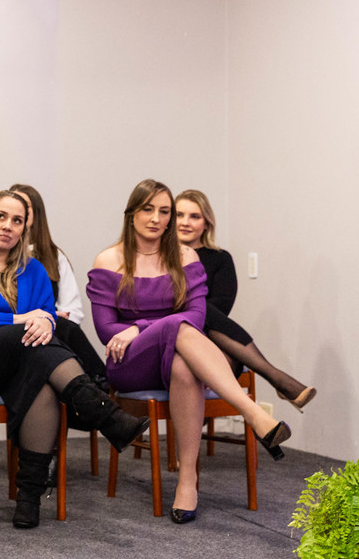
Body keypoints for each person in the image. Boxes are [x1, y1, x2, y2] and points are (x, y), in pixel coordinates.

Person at [87, 179, 293, 524]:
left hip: (176, 356)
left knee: (185, 366)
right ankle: (253, 414)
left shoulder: (185, 256)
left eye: (164, 211)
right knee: (178, 326)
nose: (156, 218)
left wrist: (141, 324)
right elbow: (106, 329)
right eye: (148, 209)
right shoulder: (109, 259)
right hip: (131, 362)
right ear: (132, 213)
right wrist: (140, 329)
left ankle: (187, 482)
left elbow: (198, 315)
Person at [0, 191, 149, 527]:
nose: (8, 226)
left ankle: (29, 499)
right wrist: (20, 319)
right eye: (1, 216)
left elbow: (46, 316)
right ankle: (102, 411)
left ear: (25, 229)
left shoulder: (33, 269)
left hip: (22, 364)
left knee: (44, 383)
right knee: (30, 338)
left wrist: (45, 320)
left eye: (17, 220)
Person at [174, 189, 315, 410]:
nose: (185, 222)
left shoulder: (220, 258)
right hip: (172, 334)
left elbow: (222, 304)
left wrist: (192, 311)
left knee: (209, 325)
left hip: (208, 334)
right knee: (198, 308)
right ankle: (275, 377)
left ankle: (256, 421)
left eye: (194, 216)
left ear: (207, 222)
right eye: (179, 215)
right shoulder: (160, 257)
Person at [10, 183, 107, 381]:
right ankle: (100, 382)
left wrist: (51, 319)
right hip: (15, 328)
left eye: (24, 207)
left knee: (65, 326)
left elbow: (73, 310)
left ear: (35, 214)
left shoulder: (54, 257)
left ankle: (100, 382)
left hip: (52, 330)